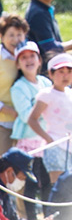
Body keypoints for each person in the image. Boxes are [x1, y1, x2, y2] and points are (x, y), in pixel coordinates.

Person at [10, 41, 52, 220]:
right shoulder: (18, 87)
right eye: (23, 57)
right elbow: (27, 115)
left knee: (47, 182)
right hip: (29, 141)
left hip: (48, 140)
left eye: (32, 56)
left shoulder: (45, 82)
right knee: (31, 184)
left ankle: (49, 219)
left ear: (39, 60)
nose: (28, 60)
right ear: (18, 64)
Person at [28, 53, 72, 185]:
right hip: (56, 145)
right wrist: (48, 138)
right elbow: (32, 119)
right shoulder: (47, 95)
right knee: (57, 183)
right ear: (51, 74)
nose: (65, 75)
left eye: (69, 71)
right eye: (61, 72)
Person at [0, 15, 29, 154]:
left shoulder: (28, 58)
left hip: (24, 126)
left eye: (19, 35)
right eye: (11, 35)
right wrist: (9, 111)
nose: (15, 40)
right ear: (1, 36)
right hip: (3, 123)